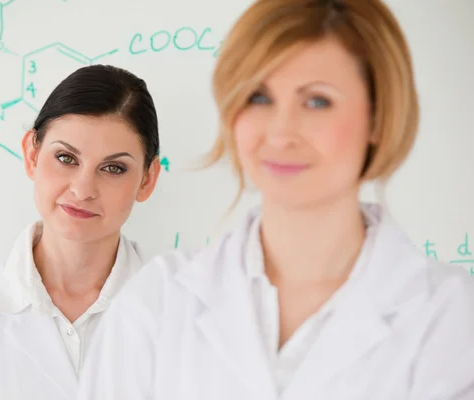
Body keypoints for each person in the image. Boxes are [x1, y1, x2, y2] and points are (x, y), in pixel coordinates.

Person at [77, 1, 474, 399]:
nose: (281, 134)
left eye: (317, 101)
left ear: (377, 116)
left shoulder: (451, 318)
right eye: (259, 98)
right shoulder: (158, 301)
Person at [0, 64, 161, 400]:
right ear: (32, 155)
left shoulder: (187, 319)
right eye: (66, 158)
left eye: (113, 168)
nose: (83, 190)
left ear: (147, 179)